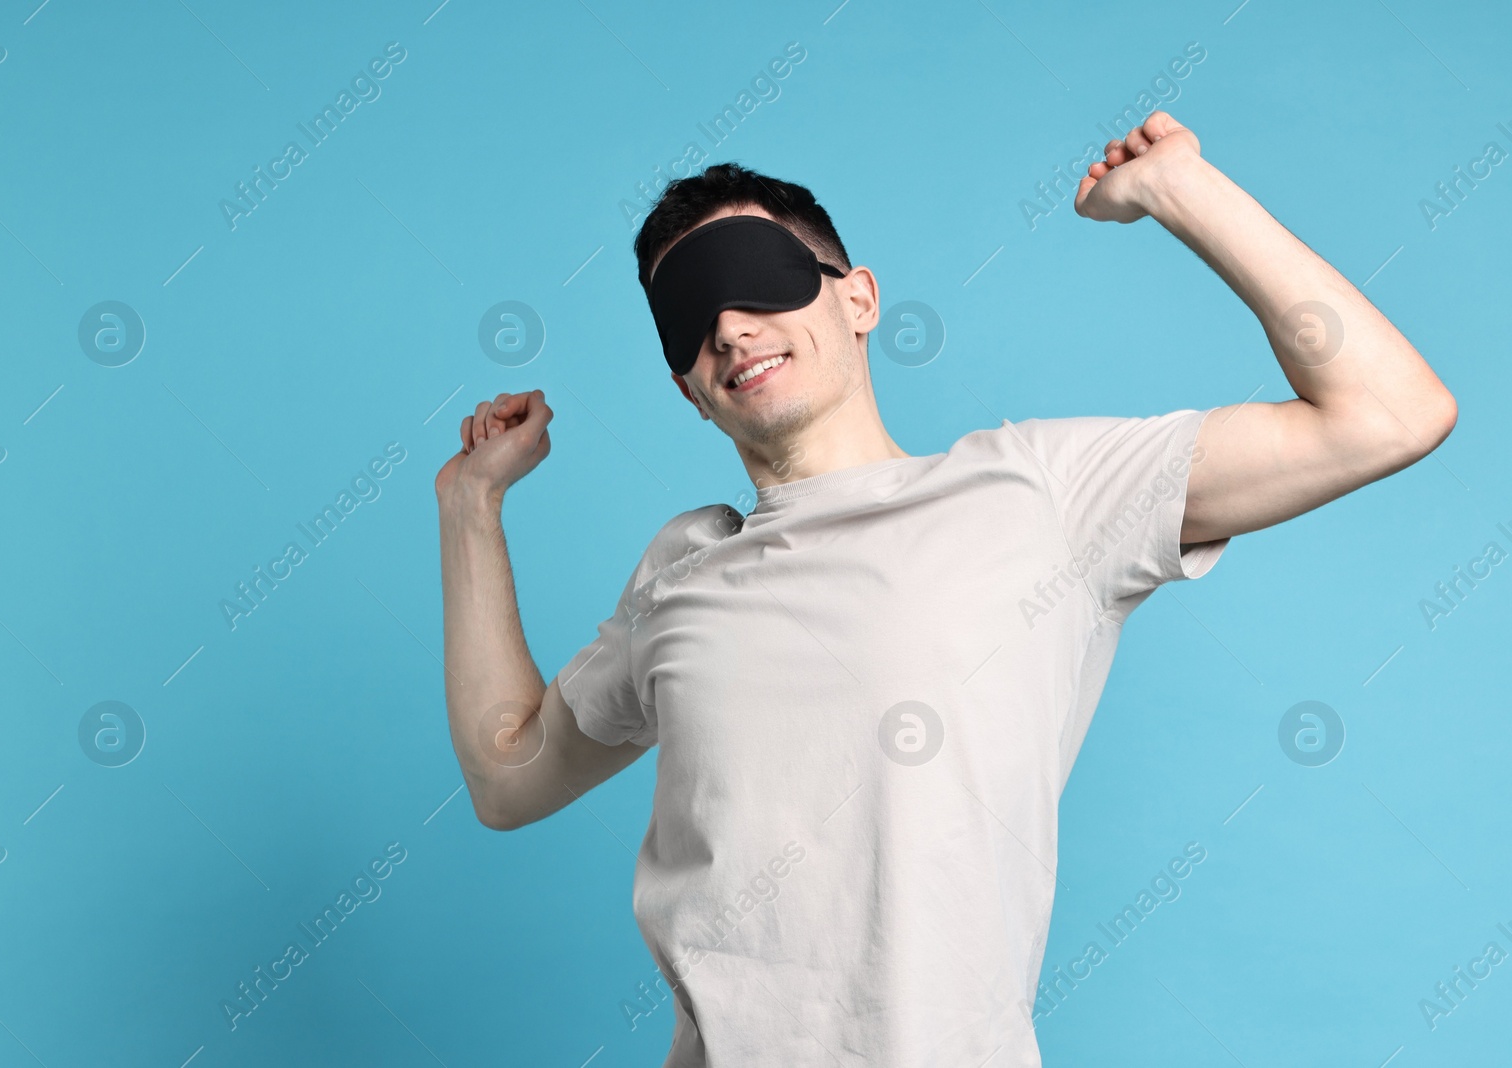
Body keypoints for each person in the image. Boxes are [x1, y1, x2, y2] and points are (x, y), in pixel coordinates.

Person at [433, 112, 1456, 1066]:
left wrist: (1179, 190)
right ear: (686, 388)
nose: (731, 328)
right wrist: (469, 507)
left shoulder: (1040, 493)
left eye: (755, 281)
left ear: (859, 297)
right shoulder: (684, 567)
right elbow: (507, 777)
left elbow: (1387, 414)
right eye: (689, 319)